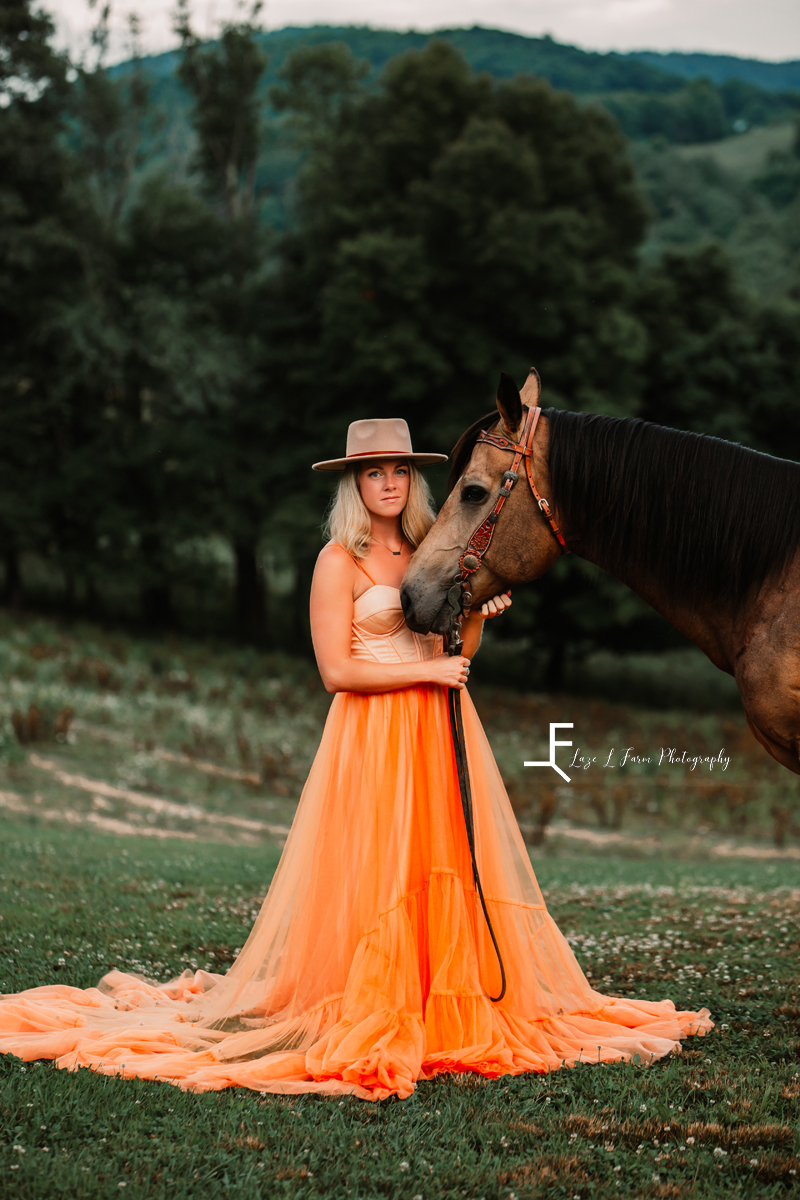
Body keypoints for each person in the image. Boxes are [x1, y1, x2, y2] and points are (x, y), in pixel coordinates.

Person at [0, 418, 711, 1100]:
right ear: (355, 485)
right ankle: (373, 997)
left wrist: (473, 619)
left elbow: (455, 660)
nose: (390, 484)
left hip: (439, 723)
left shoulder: (433, 546)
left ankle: (444, 995)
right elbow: (336, 671)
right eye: (375, 473)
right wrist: (424, 677)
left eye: (400, 471)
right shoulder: (336, 562)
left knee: (445, 862)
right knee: (377, 868)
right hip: (371, 732)